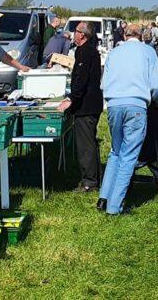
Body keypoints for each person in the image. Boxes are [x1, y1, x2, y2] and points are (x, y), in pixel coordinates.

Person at [97, 23, 158, 215]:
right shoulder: (148, 51)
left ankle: (104, 197)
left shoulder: (114, 53)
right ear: (141, 36)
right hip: (136, 105)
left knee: (115, 151)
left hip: (114, 104)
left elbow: (104, 83)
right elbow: (156, 85)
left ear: (125, 36)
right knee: (128, 156)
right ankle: (114, 206)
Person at [57, 22, 103, 192]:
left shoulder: (85, 52)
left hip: (87, 105)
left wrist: (71, 99)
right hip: (91, 104)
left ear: (82, 35)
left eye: (76, 31)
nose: (73, 33)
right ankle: (95, 177)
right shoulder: (89, 51)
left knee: (85, 145)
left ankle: (89, 182)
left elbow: (81, 80)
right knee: (89, 142)